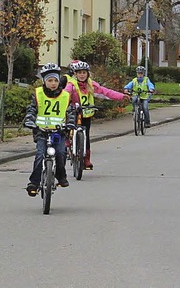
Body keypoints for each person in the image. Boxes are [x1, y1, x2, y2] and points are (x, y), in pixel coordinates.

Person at [23, 63, 76, 197]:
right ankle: (33, 183)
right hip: (42, 131)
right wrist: (29, 120)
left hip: (58, 131)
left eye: (55, 80)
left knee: (60, 153)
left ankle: (61, 176)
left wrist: (70, 124)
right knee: (40, 155)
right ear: (44, 81)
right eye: (50, 80)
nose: (53, 83)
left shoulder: (65, 96)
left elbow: (70, 113)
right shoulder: (38, 94)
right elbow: (32, 110)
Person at [64, 60, 129, 170]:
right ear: (75, 74)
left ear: (88, 74)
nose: (82, 75)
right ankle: (67, 144)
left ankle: (86, 159)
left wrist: (121, 96)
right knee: (67, 128)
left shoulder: (91, 85)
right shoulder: (71, 85)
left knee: (86, 136)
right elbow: (64, 95)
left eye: (84, 73)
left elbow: (105, 92)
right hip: (74, 112)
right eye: (79, 73)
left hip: (86, 114)